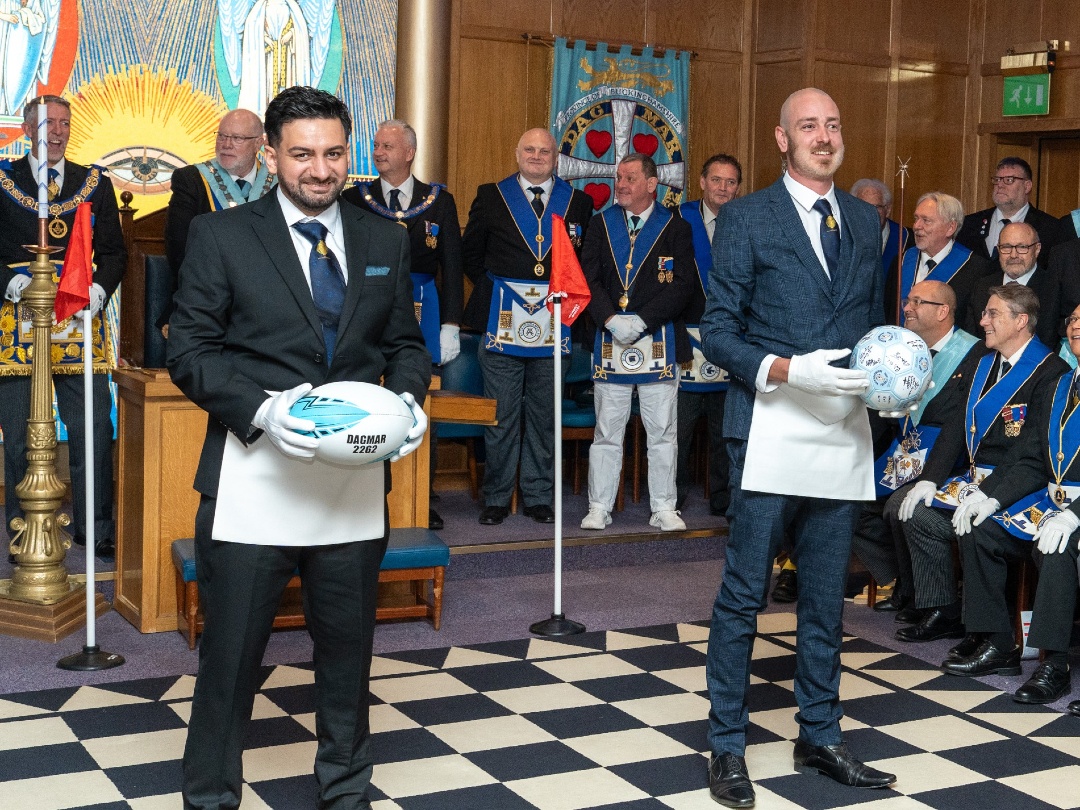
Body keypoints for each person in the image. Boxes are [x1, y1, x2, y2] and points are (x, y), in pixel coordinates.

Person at [166, 86, 431, 810]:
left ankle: (345, 790)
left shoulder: (384, 238)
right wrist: (261, 409)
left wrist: (409, 400)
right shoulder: (222, 235)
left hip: (352, 490)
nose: (320, 169)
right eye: (303, 154)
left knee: (347, 657)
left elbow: (405, 344)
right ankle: (210, 797)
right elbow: (189, 351)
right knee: (230, 661)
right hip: (254, 482)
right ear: (271, 155)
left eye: (334, 153)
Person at [700, 87, 894, 807]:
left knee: (824, 595)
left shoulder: (867, 221)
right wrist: (785, 369)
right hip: (769, 425)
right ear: (782, 139)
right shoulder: (747, 217)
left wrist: (889, 380)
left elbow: (871, 323)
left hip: (840, 430)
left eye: (833, 124)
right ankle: (727, 745)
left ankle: (820, 732)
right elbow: (717, 332)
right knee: (744, 595)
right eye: (808, 125)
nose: (824, 136)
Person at [896, 284, 1066, 645]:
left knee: (976, 526)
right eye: (985, 313)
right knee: (913, 510)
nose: (983, 321)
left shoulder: (1051, 371)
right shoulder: (983, 361)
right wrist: (930, 479)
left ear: (1020, 321)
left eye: (992, 314)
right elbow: (957, 426)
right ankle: (943, 609)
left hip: (1018, 484)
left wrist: (988, 494)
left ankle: (985, 631)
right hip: (974, 478)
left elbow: (1032, 453)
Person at [0, 95, 126, 560]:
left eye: (64, 123)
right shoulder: (3, 179)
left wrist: (99, 290)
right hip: (16, 318)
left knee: (92, 427)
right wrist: (10, 282)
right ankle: (22, 529)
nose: (56, 132)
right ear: (26, 129)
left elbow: (114, 252)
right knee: (19, 435)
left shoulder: (93, 183)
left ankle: (96, 527)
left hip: (77, 315)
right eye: (48, 123)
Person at [944, 303, 1080, 699]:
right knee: (979, 527)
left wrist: (1074, 516)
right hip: (1051, 504)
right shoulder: (1060, 386)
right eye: (1073, 320)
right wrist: (990, 497)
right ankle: (999, 644)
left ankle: (1054, 664)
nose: (1076, 327)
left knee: (1059, 547)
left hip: (1073, 514)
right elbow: (1032, 457)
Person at [461, 128, 592, 526]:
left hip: (554, 325)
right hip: (502, 322)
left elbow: (583, 263)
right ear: (517, 154)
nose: (537, 156)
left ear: (556, 158)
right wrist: (502, 293)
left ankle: (537, 496)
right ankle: (497, 498)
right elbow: (471, 256)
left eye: (544, 151)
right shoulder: (491, 196)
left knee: (544, 415)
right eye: (530, 150)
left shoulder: (579, 202)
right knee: (501, 415)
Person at [342, 119, 464, 531]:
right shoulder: (354, 199)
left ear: (409, 153)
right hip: (366, 306)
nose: (378, 152)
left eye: (387, 146)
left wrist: (451, 323)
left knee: (418, 399)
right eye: (376, 145)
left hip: (423, 308)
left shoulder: (439, 201)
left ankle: (422, 496)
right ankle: (360, 492)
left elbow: (452, 265)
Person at [852, 280, 980, 621]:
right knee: (851, 499)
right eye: (907, 301)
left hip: (950, 459)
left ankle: (921, 596)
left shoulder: (975, 354)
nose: (907, 308)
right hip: (905, 452)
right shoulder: (902, 350)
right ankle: (901, 579)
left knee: (901, 506)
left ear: (943, 311)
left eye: (917, 302)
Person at [579, 153, 693, 532]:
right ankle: (599, 506)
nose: (621, 184)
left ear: (651, 184)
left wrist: (643, 320)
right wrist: (610, 319)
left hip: (657, 337)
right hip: (609, 337)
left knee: (662, 433)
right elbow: (588, 278)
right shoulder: (600, 224)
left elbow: (682, 285)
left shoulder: (675, 227)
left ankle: (664, 507)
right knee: (607, 432)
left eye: (630, 178)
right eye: (619, 177)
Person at [161, 108, 274, 335]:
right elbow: (180, 250)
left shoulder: (280, 184)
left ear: (259, 143)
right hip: (205, 302)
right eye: (222, 136)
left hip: (267, 304)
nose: (226, 144)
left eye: (237, 138)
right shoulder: (191, 180)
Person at [674, 154, 740, 516]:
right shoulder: (677, 219)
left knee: (724, 430)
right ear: (701, 182)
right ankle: (672, 494)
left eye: (730, 182)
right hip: (684, 335)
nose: (723, 188)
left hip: (731, 337)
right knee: (679, 428)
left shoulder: (746, 222)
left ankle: (722, 497)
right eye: (716, 180)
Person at [883, 191, 988, 327]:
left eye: (926, 220)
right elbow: (888, 312)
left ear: (950, 228)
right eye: (916, 219)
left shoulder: (975, 268)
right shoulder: (901, 261)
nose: (916, 226)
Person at [966, 221, 1063, 349]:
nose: (1013, 255)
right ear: (998, 249)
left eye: (1022, 247)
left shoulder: (1055, 288)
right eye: (1006, 247)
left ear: (1037, 249)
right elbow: (971, 340)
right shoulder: (982, 286)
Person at [955, 156, 1066, 264]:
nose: (1000, 185)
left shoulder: (1051, 229)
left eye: (1009, 180)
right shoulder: (969, 224)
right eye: (997, 179)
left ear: (1027, 186)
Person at [851, 177, 909, 281]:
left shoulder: (907, 239)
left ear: (888, 210)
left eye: (876, 207)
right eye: (863, 206)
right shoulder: (842, 237)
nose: (869, 213)